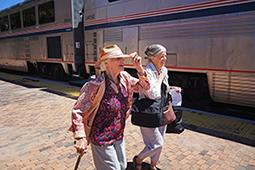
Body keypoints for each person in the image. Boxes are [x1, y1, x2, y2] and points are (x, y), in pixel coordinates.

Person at [70, 45, 150, 170]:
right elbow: (77, 111)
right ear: (106, 62)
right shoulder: (94, 85)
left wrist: (139, 67)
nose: (122, 61)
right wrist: (81, 137)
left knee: (122, 167)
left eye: (122, 58)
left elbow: (144, 87)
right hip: (101, 138)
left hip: (118, 134)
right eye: (118, 58)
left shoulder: (125, 78)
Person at [133, 44, 181, 170]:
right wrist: (160, 78)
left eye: (165, 55)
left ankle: (153, 166)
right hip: (148, 113)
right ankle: (138, 159)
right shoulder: (147, 72)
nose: (164, 58)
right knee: (156, 144)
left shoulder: (164, 70)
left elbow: (163, 90)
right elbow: (154, 94)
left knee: (160, 141)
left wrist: (172, 89)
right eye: (161, 56)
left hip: (162, 111)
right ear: (152, 58)